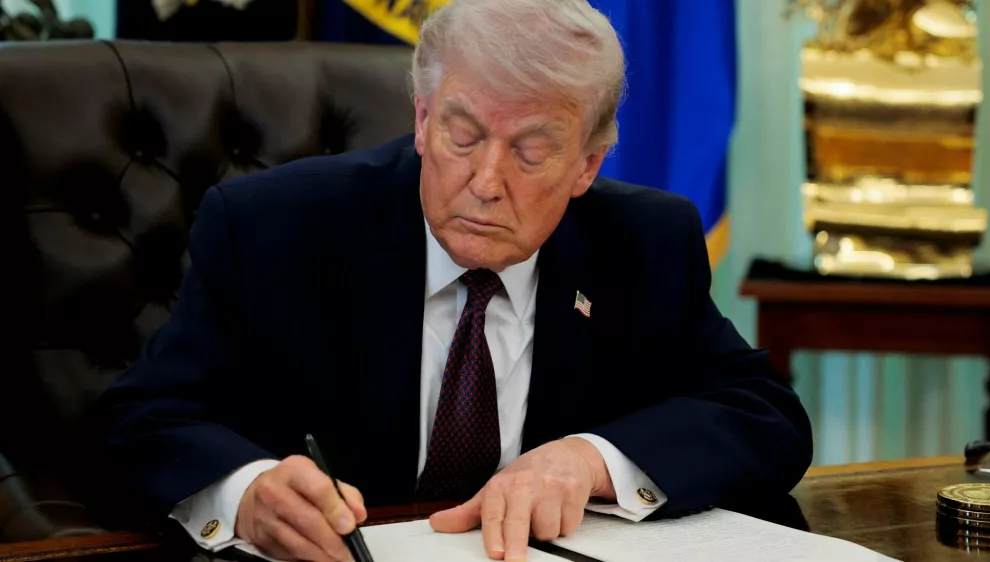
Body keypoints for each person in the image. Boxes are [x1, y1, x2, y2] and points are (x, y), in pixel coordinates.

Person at [92, 0, 814, 561]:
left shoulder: (644, 242)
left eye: (532, 152)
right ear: (423, 117)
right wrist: (245, 493)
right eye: (462, 136)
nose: (486, 182)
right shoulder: (274, 229)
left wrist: (590, 460)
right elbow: (142, 416)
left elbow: (763, 415)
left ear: (588, 166)